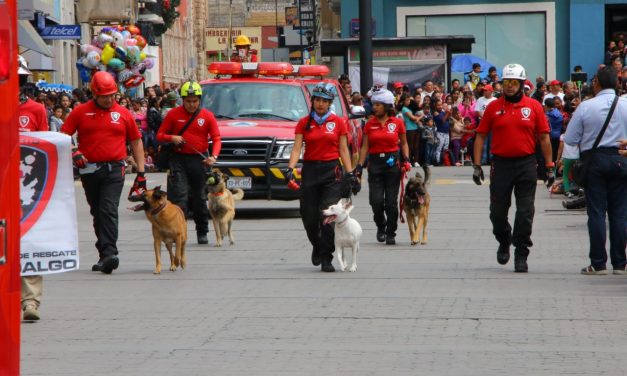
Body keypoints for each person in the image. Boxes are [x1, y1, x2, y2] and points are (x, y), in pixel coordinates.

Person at [61, 71, 146, 274]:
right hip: (90, 171)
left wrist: (141, 172)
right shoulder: (80, 112)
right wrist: (74, 151)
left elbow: (136, 141)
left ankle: (110, 253)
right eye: (105, 96)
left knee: (108, 209)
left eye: (112, 95)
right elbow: (63, 135)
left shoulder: (124, 114)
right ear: (94, 94)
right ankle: (103, 253)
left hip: (115, 169)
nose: (109, 99)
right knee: (97, 212)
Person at [472, 63, 553, 273]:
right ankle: (504, 238)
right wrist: (477, 165)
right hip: (500, 165)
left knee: (525, 212)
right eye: (506, 82)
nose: (509, 86)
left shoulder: (534, 106)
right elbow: (480, 135)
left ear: (522, 84)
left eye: (513, 83)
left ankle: (521, 253)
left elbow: (544, 137)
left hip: (526, 164)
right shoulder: (493, 107)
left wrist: (550, 166)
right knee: (497, 213)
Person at [285, 82, 355, 272]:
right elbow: (297, 148)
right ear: (312, 101)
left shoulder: (338, 122)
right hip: (310, 171)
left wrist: (350, 173)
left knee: (326, 215)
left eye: (324, 101)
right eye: (317, 100)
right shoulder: (304, 122)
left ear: (330, 102)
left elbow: (343, 149)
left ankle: (327, 257)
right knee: (308, 217)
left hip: (331, 172)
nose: (320, 104)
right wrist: (290, 168)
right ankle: (316, 245)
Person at [563, 66, 627, 275]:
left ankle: (598, 263)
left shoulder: (585, 107)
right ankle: (620, 264)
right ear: (617, 83)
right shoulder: (626, 105)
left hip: (595, 161)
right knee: (620, 213)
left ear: (596, 83)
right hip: (621, 159)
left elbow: (571, 139)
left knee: (597, 213)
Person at [156, 81, 221, 245]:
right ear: (182, 100)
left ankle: (202, 231)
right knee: (180, 199)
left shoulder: (207, 115)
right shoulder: (173, 115)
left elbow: (216, 138)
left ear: (199, 100)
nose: (191, 104)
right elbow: (160, 135)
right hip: (178, 160)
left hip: (200, 161)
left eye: (195, 101)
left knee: (200, 198)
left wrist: (213, 156)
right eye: (188, 101)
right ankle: (179, 232)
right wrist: (172, 138)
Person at [356, 88, 410, 245]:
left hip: (393, 164)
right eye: (374, 104)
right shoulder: (369, 124)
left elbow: (404, 143)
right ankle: (381, 225)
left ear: (387, 106)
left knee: (391, 202)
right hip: (375, 165)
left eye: (378, 104)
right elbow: (364, 147)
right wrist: (359, 166)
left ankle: (391, 232)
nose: (375, 107)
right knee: (376, 201)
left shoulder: (397, 123)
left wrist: (406, 158)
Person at [18, 57, 48, 321]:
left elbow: (46, 147)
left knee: (28, 241)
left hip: (26, 185)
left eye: (19, 80)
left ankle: (30, 301)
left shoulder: (36, 110)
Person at [399, 94, 422, 167]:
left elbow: (415, 118)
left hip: (415, 127)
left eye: (409, 100)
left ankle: (415, 161)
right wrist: (420, 117)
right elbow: (412, 118)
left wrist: (417, 118)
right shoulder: (404, 109)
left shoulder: (409, 108)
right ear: (403, 101)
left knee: (416, 146)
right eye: (406, 100)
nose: (408, 101)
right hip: (409, 129)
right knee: (410, 146)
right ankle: (408, 161)